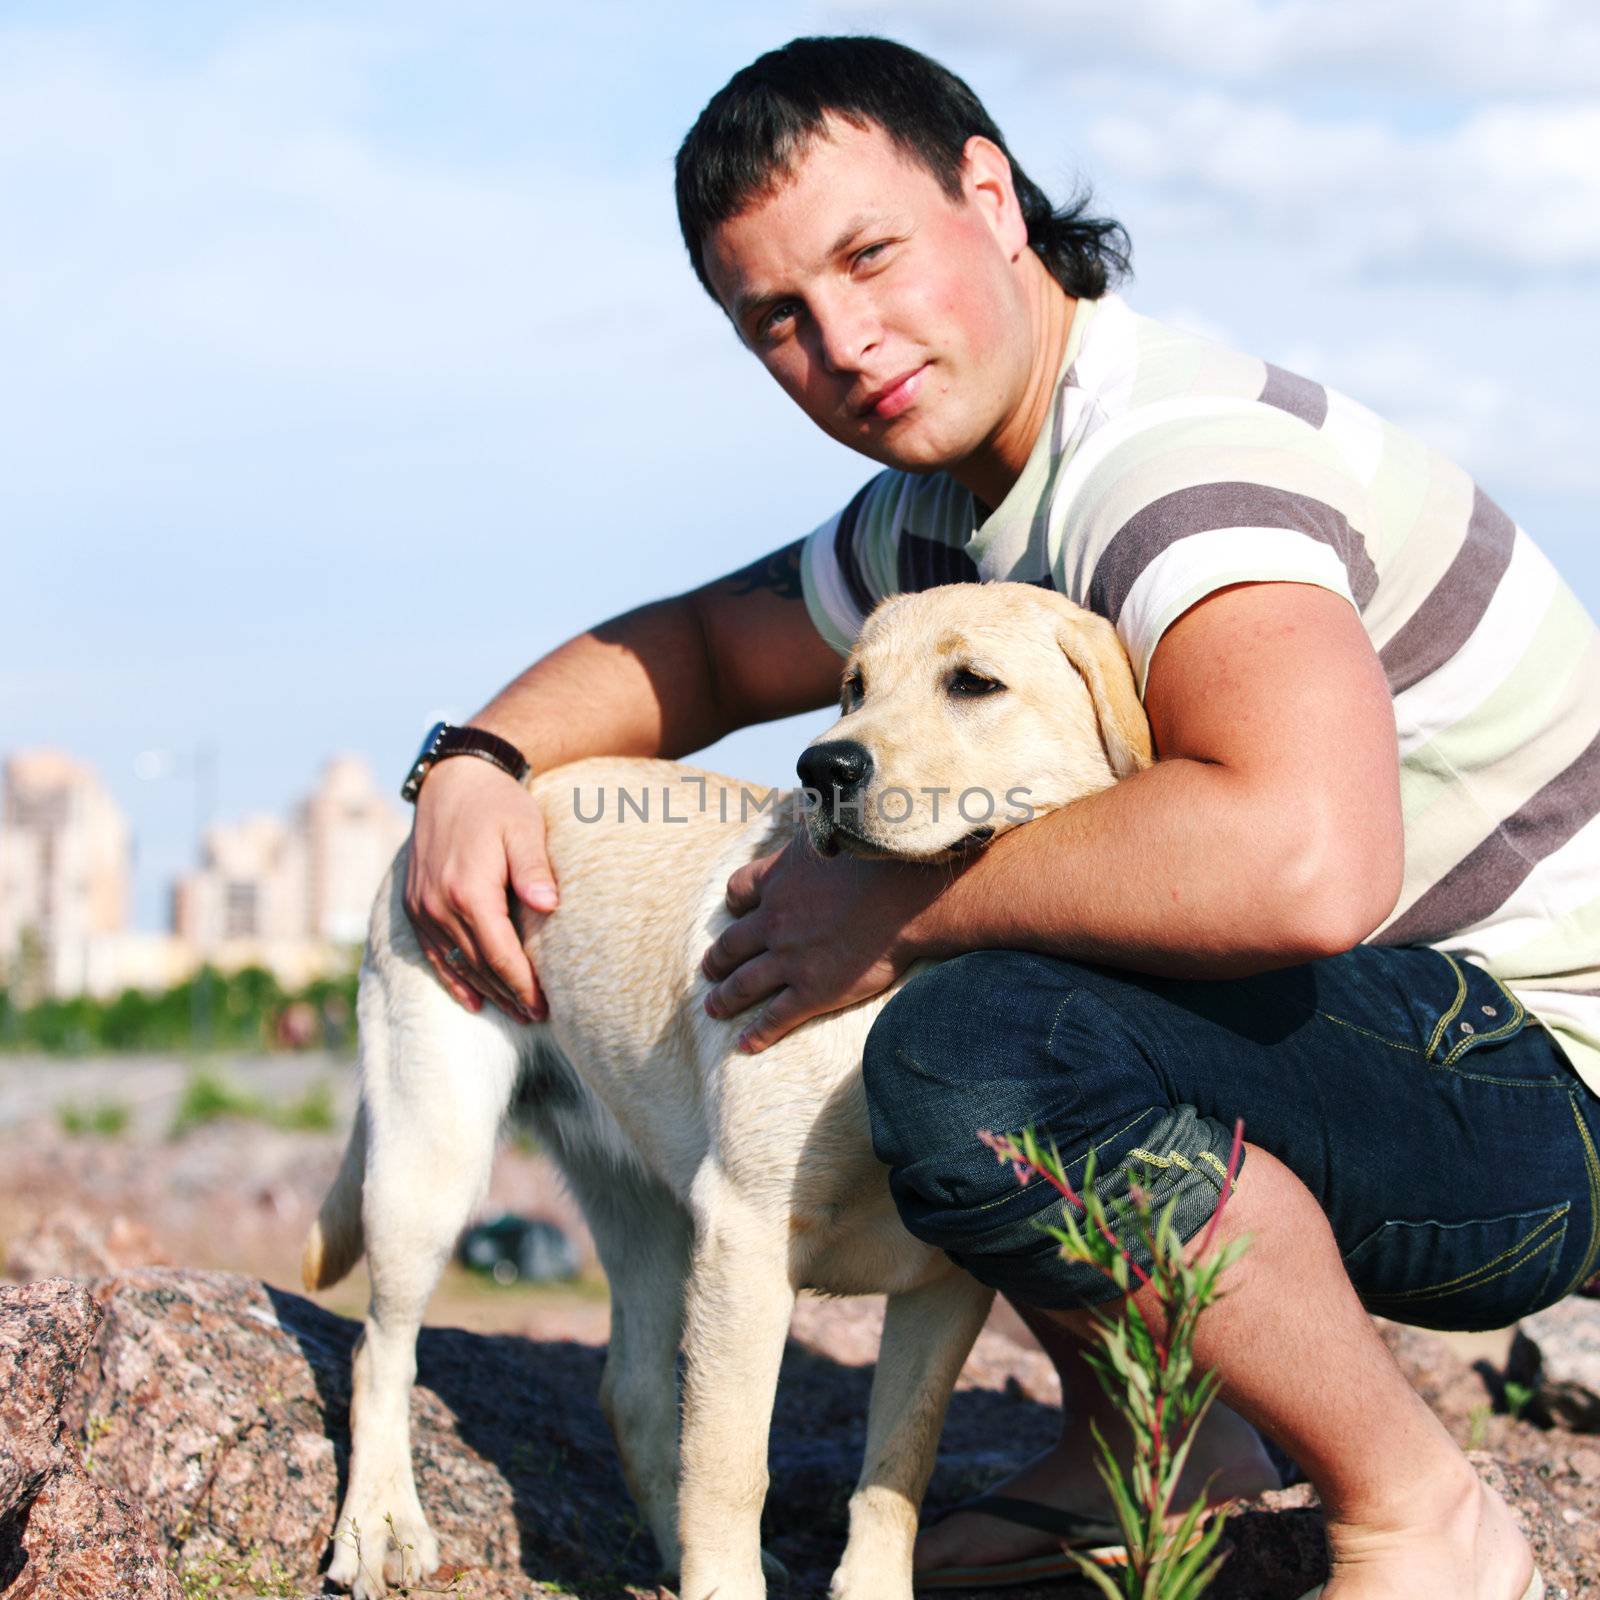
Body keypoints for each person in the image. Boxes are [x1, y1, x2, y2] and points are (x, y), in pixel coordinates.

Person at [401, 35, 1598, 1599]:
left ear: (990, 193)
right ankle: (1169, 1438)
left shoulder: (1179, 474)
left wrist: (898, 916)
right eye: (780, 317)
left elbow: (1306, 866)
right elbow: (696, 651)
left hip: (1535, 1095)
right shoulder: (943, 522)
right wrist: (478, 762)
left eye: (871, 255)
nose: (843, 337)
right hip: (1371, 1052)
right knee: (996, 925)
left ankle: (1414, 1506)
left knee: (978, 1037)